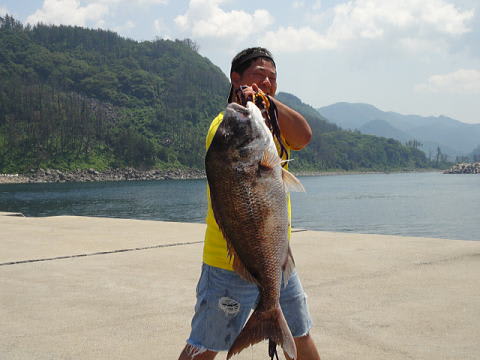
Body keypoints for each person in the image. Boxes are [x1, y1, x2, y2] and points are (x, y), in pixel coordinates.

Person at [178, 47, 320, 360]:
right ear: (236, 78)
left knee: (300, 335)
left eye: (273, 78)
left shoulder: (269, 124)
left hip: (277, 261)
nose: (267, 82)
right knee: (204, 345)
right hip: (228, 263)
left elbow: (305, 135)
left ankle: (269, 318)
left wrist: (266, 102)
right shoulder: (227, 127)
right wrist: (249, 112)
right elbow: (225, 151)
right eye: (260, 74)